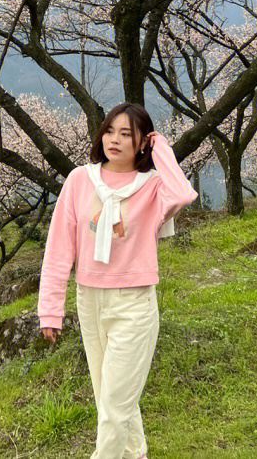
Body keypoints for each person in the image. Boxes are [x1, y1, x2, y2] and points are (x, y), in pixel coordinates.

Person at [38, 102, 198, 459]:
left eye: (127, 134)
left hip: (134, 303)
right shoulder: (81, 180)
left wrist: (162, 149)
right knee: (111, 398)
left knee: (114, 406)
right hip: (90, 299)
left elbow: (185, 194)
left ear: (142, 142)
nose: (115, 139)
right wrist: (51, 309)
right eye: (110, 130)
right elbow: (58, 248)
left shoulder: (154, 187)